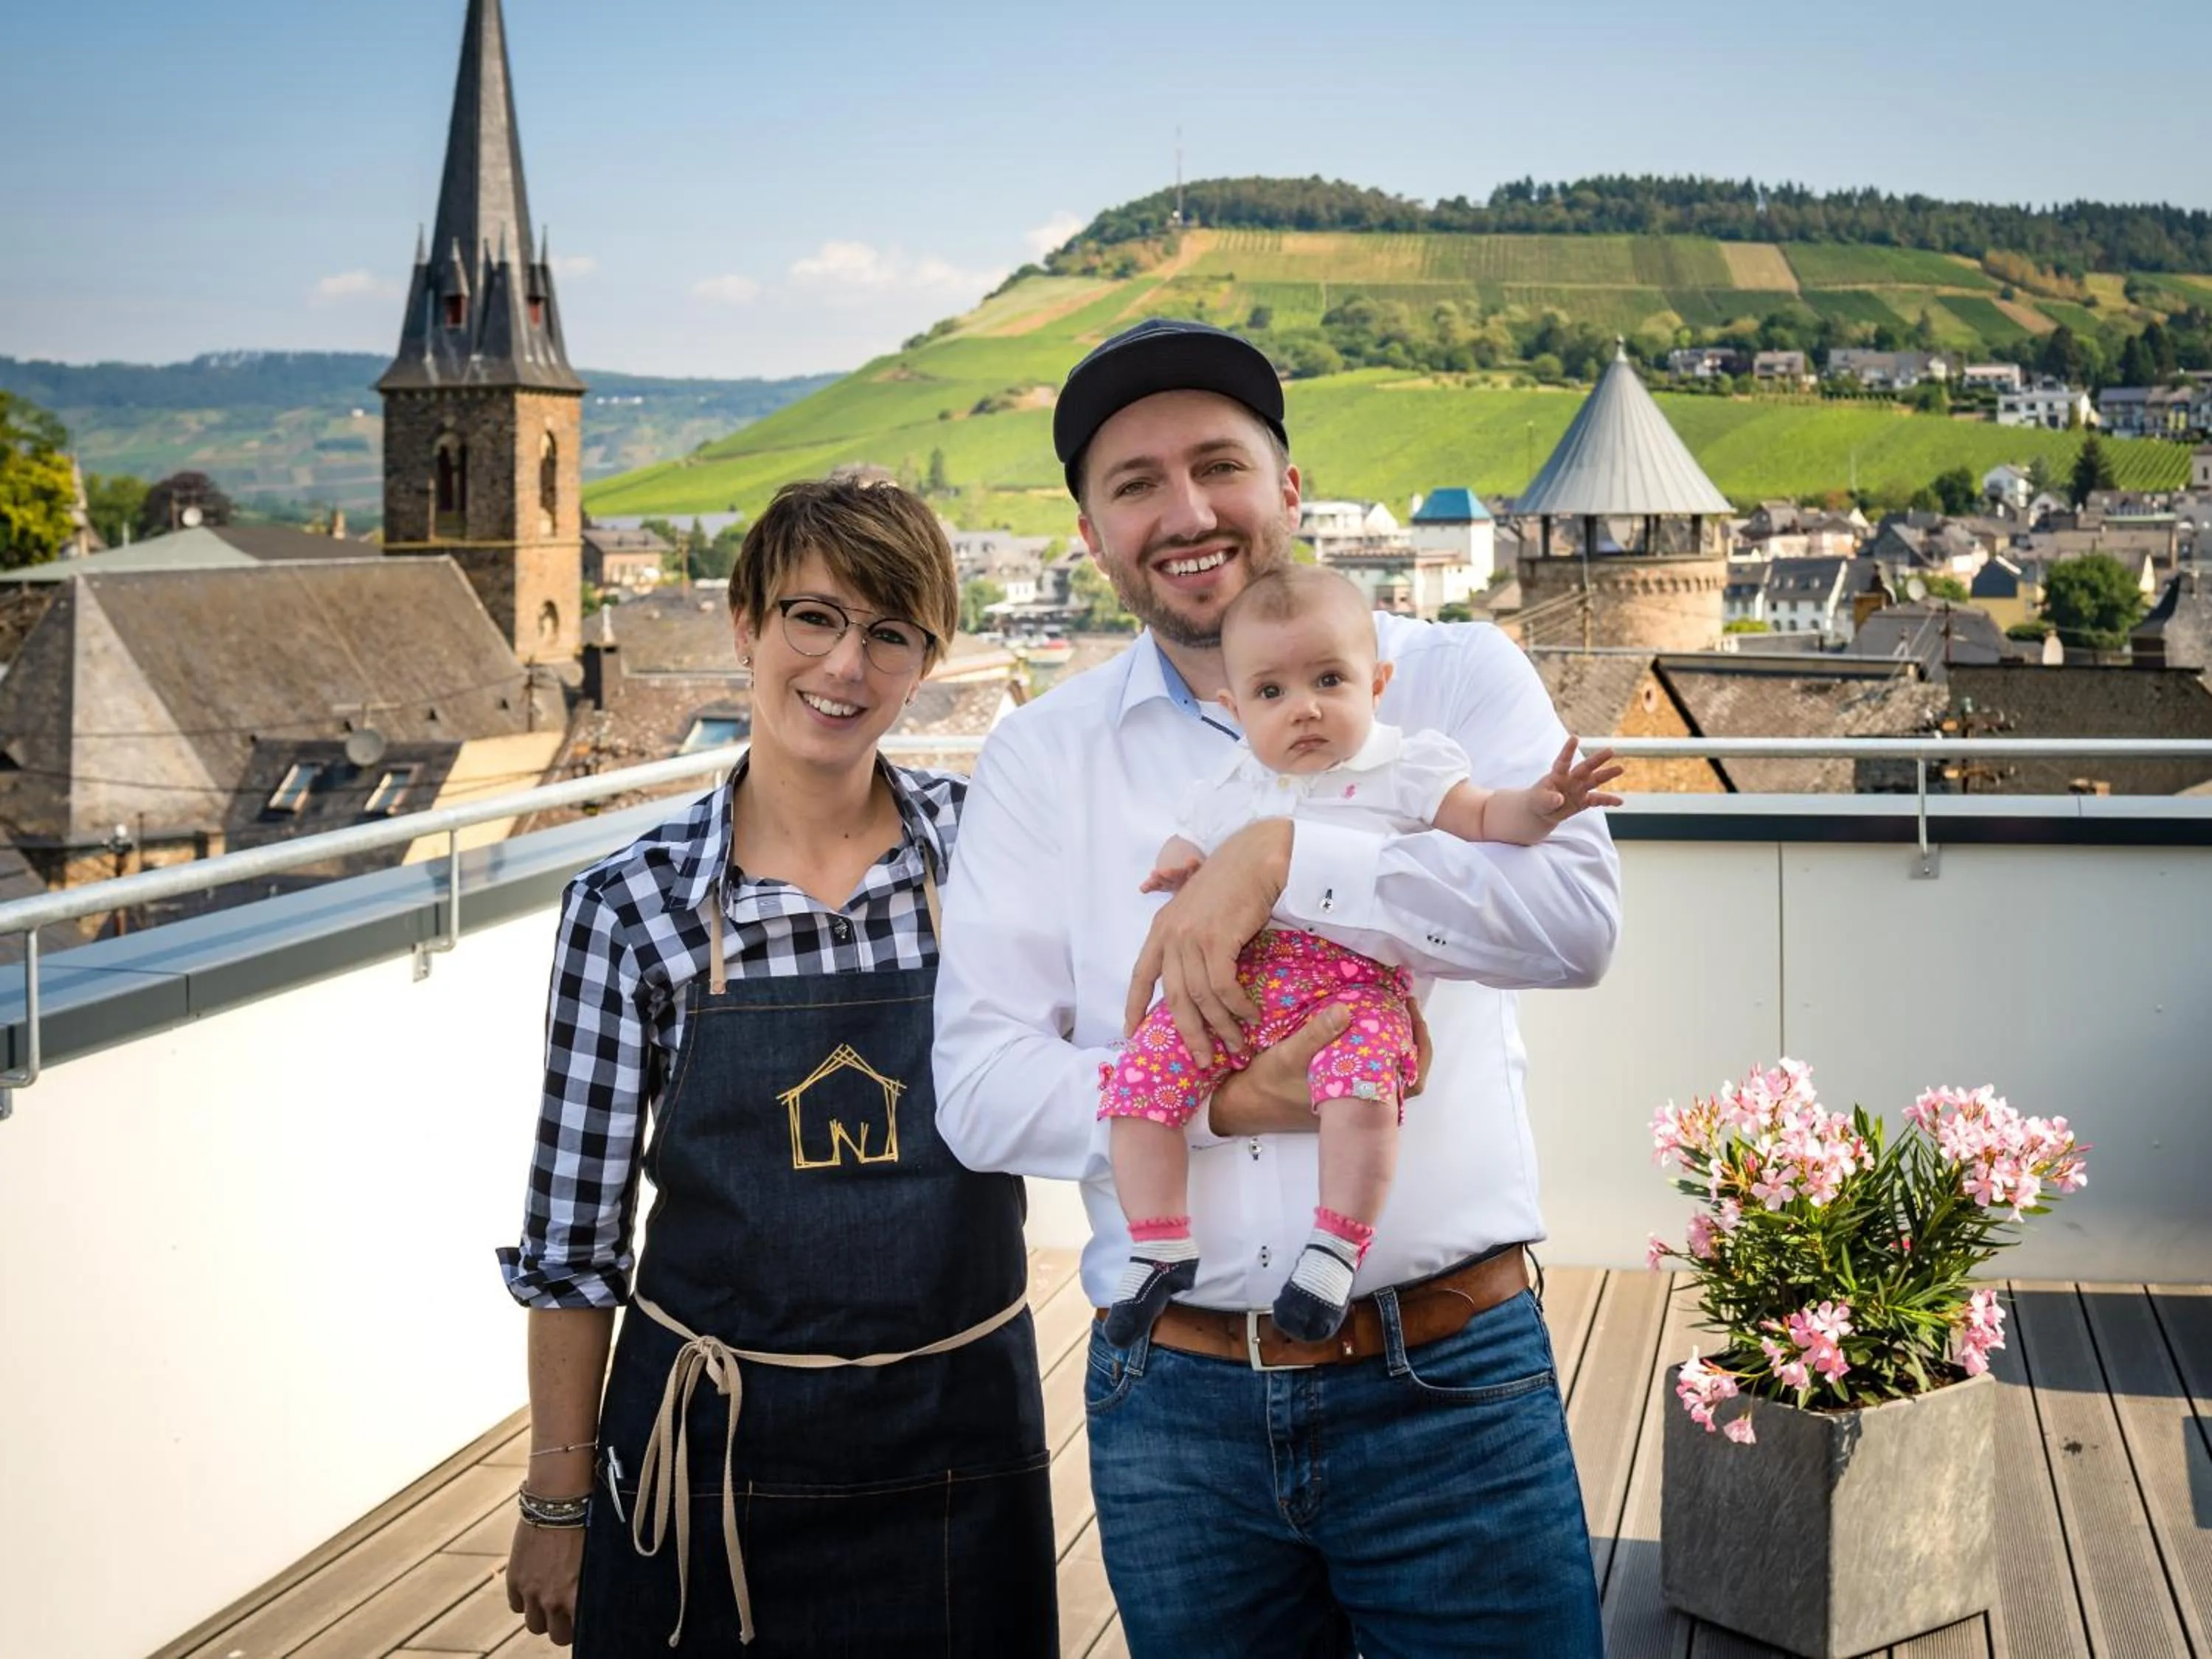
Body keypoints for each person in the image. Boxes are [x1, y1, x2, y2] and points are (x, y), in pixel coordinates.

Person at [933, 318, 1620, 1656]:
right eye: (1135, 485)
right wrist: (1232, 1104)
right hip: (1174, 1408)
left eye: (1218, 466)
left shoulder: (1455, 678)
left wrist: (1290, 856)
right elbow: (977, 1086)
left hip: (1450, 1380)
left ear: (1290, 490)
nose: (1186, 513)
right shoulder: (1042, 755)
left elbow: (1570, 924)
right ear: (1091, 537)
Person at [498, 478, 1056, 1655]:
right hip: (706, 1445)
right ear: (745, 624)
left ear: (926, 664)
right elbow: (573, 1243)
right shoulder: (632, 907)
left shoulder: (990, 855)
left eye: (888, 633)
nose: (845, 667)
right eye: (813, 617)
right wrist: (557, 1495)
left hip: (959, 1432)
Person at [1099, 563, 1623, 1348]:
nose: (1304, 709)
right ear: (1234, 709)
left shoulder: (1403, 765)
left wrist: (1541, 808)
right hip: (1245, 989)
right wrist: (1177, 873)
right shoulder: (1233, 785)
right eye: (1271, 695)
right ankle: (1159, 1242)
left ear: (1376, 684)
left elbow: (1484, 817)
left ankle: (1335, 1246)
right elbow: (1182, 859)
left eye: (1329, 680)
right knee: (1137, 1084)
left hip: (1357, 987)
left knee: (1365, 1095)